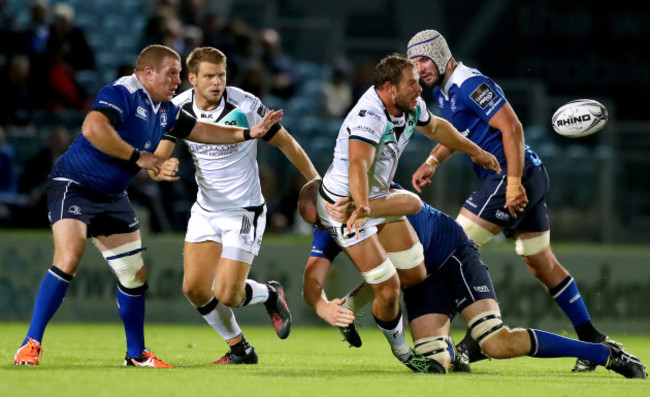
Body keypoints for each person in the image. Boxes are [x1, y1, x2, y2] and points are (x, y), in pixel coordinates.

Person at [12, 44, 282, 367]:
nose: (177, 81)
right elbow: (92, 128)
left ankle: (136, 355)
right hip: (75, 185)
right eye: (171, 74)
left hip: (112, 197)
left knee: (134, 275)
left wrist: (248, 132)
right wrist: (141, 157)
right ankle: (30, 344)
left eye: (180, 75)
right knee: (69, 257)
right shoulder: (124, 91)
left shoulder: (165, 108)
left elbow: (202, 131)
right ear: (147, 73)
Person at [406, 29, 616, 372]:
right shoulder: (445, 91)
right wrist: (432, 161)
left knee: (449, 247)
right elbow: (460, 133)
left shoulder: (470, 84)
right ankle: (592, 339)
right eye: (414, 63)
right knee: (540, 262)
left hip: (509, 176)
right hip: (524, 175)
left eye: (425, 59)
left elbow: (513, 128)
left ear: (442, 55)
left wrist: (513, 183)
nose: (420, 69)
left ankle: (467, 344)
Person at [300, 183, 647, 379]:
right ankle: (455, 352)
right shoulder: (331, 229)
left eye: (322, 218)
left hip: (451, 255)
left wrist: (351, 302)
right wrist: (324, 306)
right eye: (318, 225)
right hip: (421, 282)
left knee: (496, 342)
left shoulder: (365, 199)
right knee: (434, 365)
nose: (323, 228)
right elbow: (312, 281)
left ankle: (603, 354)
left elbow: (409, 210)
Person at [315, 53, 500, 373]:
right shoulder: (368, 116)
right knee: (387, 288)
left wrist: (476, 151)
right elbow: (358, 165)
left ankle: (347, 306)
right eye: (412, 83)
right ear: (389, 88)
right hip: (343, 208)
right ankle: (404, 354)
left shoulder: (410, 106)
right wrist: (359, 208)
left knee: (414, 273)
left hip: (375, 200)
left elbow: (439, 128)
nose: (420, 88)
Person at [152, 46, 319, 364]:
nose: (217, 82)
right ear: (192, 79)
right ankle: (240, 348)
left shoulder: (245, 104)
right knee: (195, 289)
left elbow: (286, 142)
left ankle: (270, 293)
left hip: (244, 211)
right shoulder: (177, 108)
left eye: (221, 75)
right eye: (209, 76)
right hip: (206, 210)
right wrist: (158, 169)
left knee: (228, 293)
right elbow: (158, 158)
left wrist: (315, 180)